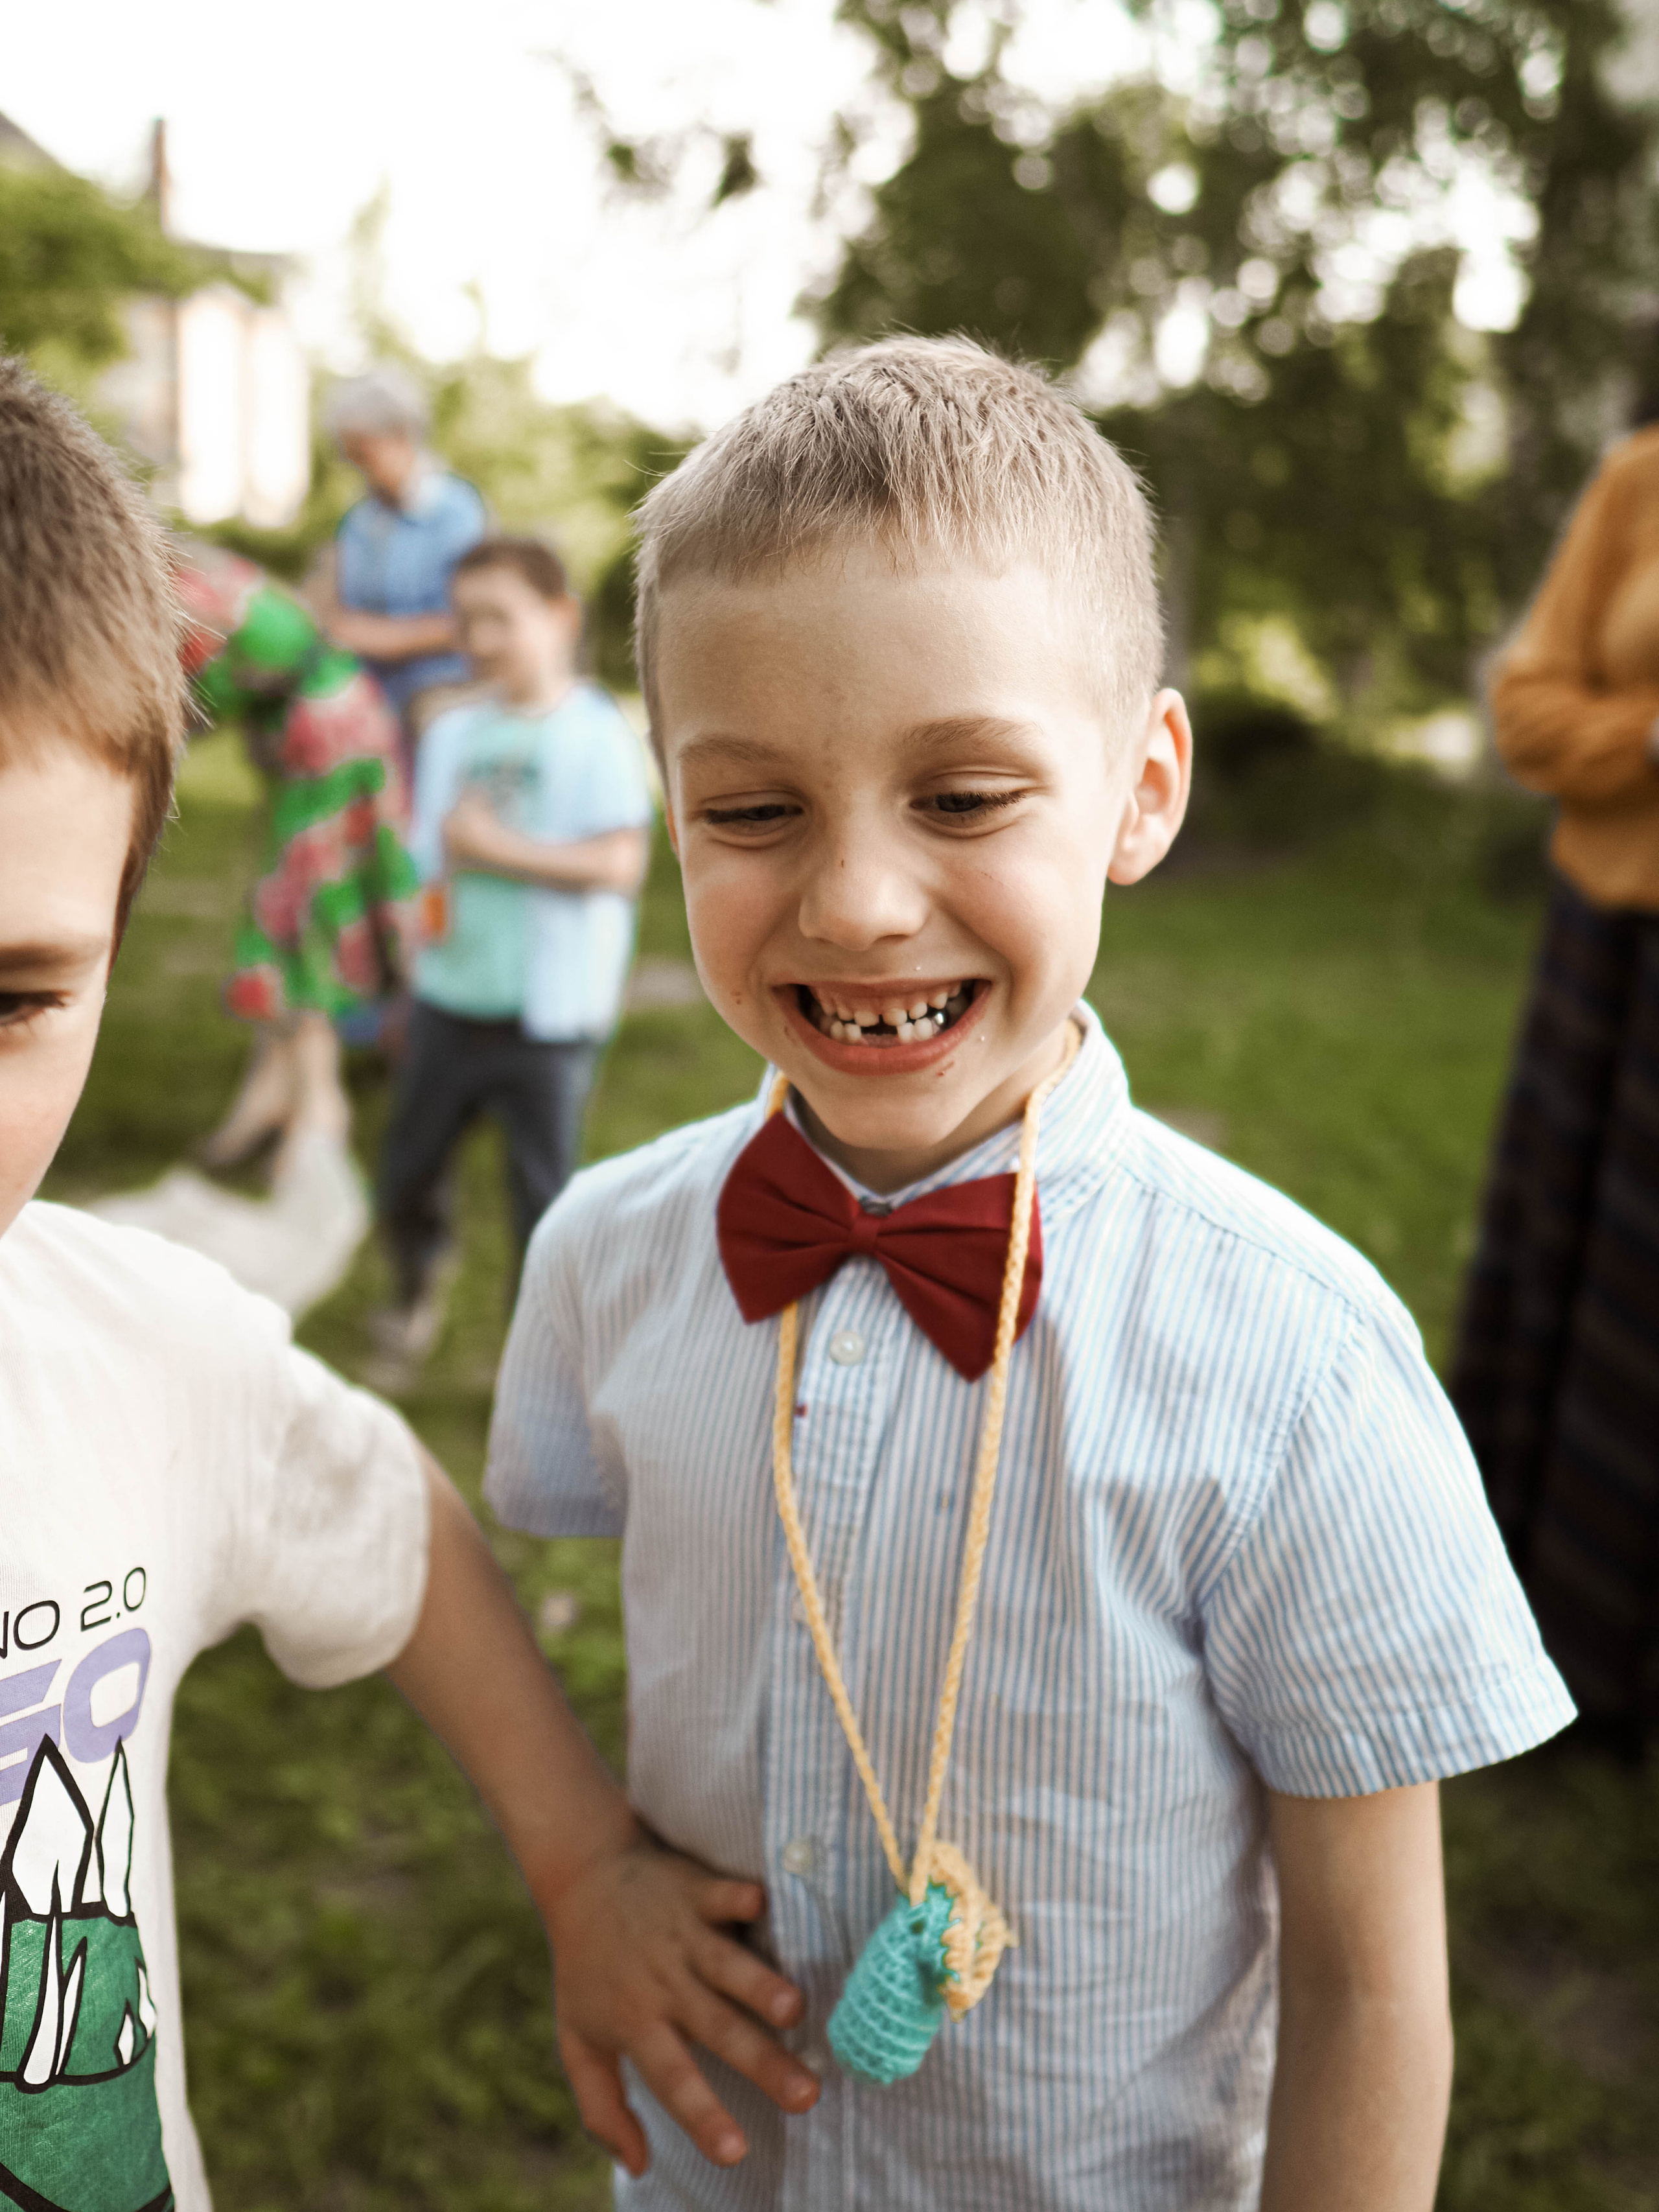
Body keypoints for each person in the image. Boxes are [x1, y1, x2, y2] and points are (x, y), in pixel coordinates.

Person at [481, 341, 1574, 2211]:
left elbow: (1371, 1980)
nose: (857, 902)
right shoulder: (603, 1256)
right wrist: (592, 1864)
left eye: (968, 796)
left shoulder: (1294, 1363)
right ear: (665, 801)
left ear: (1140, 790)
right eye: (752, 812)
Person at [0, 358, 631, 2205]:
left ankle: (296, 1105)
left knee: (314, 948)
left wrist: (585, 1859)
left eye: (18, 997)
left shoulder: (144, 1354)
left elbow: (367, 1500)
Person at [1450, 415, 1659, 1758]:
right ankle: (1545, 1652)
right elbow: (1525, 706)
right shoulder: (1639, 479)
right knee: (1590, 1301)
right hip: (1616, 963)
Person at [373, 538, 653, 1364]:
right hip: (447, 999)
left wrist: (499, 847)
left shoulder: (595, 732)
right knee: (406, 1173)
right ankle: (416, 1283)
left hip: (547, 1019)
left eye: (500, 617)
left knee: (541, 1196)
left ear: (561, 617)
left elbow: (619, 863)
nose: (481, 638)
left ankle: (537, 1352)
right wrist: (412, 949)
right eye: (465, 621)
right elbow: (431, 859)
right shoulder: (455, 732)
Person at [176, 544, 420, 1169]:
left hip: (330, 743)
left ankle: (318, 1110)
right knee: (291, 908)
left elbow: (183, 708)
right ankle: (272, 1098)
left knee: (298, 913)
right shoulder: (184, 575)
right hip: (323, 731)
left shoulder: (185, 595)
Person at [316, 366, 487, 741]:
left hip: (443, 685)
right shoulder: (360, 521)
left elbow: (466, 621)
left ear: (400, 436)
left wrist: (378, 638)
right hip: (370, 684)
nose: (356, 468)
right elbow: (335, 607)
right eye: (349, 456)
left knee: (431, 722)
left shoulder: (456, 512)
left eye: (363, 453)